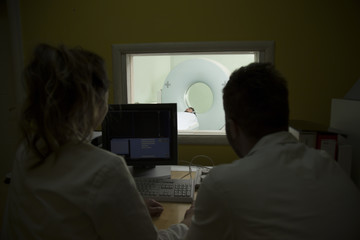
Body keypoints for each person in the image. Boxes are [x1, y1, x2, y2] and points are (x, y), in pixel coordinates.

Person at [1, 44, 191, 239]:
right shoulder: (106, 169)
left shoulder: (26, 151)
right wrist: (187, 225)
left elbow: (62, 213)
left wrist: (126, 206)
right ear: (95, 101)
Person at [184, 63, 360, 239]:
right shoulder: (333, 168)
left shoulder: (221, 184)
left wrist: (189, 221)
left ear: (232, 128)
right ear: (284, 116)